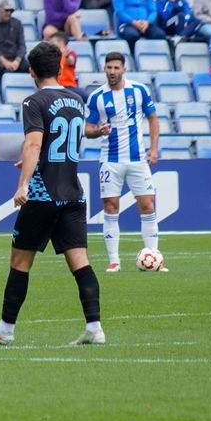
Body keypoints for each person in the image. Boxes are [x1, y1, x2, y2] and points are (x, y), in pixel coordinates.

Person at [0, 41, 105, 347]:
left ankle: (5, 329)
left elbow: (34, 144)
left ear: (31, 71)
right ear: (59, 68)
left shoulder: (33, 102)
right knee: (80, 262)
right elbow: (57, 143)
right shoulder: (75, 100)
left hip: (42, 194)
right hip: (73, 194)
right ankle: (94, 327)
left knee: (20, 262)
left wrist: (22, 184)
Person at [84, 50, 162, 275]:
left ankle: (154, 256)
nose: (112, 72)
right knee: (110, 207)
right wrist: (98, 131)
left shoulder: (139, 91)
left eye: (116, 68)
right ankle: (114, 261)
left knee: (147, 205)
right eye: (109, 68)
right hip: (110, 160)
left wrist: (154, 148)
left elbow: (153, 118)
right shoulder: (97, 97)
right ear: (104, 69)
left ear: (124, 69)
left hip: (138, 159)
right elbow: (87, 129)